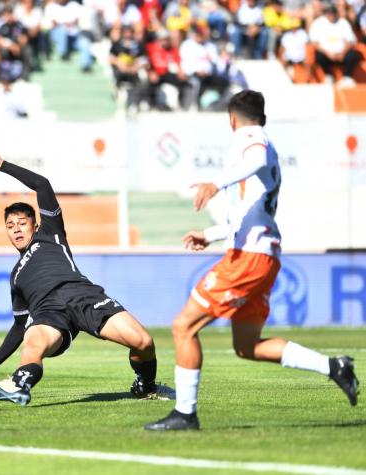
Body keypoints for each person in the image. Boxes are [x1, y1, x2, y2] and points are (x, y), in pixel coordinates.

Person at [144, 90, 359, 431]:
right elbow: (247, 211)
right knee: (246, 346)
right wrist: (211, 233)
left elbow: (256, 157)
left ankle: (185, 414)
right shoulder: (259, 142)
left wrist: (215, 183)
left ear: (232, 119)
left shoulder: (251, 138)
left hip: (249, 257)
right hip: (263, 254)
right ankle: (334, 366)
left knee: (183, 326)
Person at [0, 144, 167, 406]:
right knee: (33, 342)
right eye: (10, 225)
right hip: (48, 312)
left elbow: (42, 185)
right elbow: (20, 326)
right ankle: (19, 385)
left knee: (143, 342)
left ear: (35, 225)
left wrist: (2, 165)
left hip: (82, 296)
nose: (16, 229)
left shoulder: (50, 233)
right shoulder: (16, 276)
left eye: (22, 223)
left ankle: (145, 385)